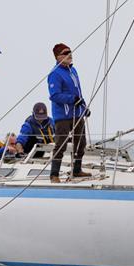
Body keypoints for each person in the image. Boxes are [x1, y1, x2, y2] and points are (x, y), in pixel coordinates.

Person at [48, 43, 91, 183]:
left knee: (81, 142)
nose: (69, 55)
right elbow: (54, 96)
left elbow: (78, 93)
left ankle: (77, 170)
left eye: (70, 52)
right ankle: (54, 174)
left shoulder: (73, 71)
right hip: (63, 116)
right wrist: (72, 99)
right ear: (58, 56)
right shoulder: (55, 74)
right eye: (66, 53)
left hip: (77, 113)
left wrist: (84, 107)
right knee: (61, 144)